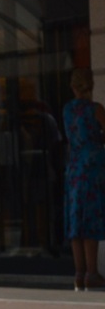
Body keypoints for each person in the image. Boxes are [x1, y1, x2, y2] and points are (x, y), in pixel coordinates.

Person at [62, 68, 105, 290]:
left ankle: (78, 274)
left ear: (74, 86)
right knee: (91, 218)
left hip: (74, 167)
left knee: (76, 220)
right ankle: (92, 273)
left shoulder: (67, 110)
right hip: (93, 168)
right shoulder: (95, 109)